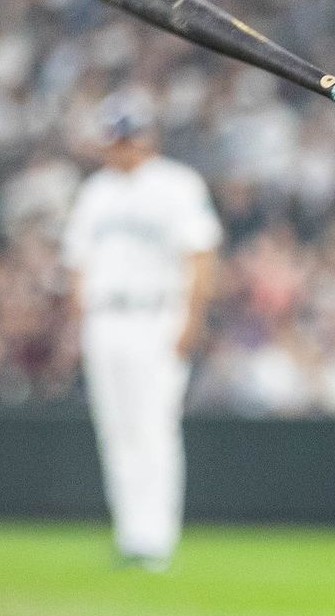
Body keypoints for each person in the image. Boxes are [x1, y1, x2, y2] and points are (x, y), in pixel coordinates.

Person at [62, 91, 221, 570]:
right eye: (114, 138)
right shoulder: (96, 191)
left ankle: (155, 538)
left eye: (125, 137)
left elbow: (201, 255)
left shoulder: (177, 184)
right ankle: (130, 532)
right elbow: (77, 264)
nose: (118, 147)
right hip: (105, 318)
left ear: (143, 137)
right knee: (116, 430)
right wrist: (80, 322)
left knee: (154, 428)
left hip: (156, 315)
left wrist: (190, 321)